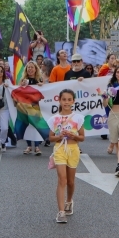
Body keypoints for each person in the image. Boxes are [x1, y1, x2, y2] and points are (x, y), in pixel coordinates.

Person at [48, 89, 85, 224]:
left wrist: (74, 136)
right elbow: (51, 138)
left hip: (73, 150)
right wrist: (59, 136)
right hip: (59, 150)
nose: (67, 102)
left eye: (69, 100)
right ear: (59, 100)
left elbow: (82, 137)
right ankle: (61, 211)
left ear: (73, 101)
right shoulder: (54, 119)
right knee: (62, 179)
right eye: (64, 100)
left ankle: (69, 201)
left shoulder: (78, 118)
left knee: (70, 181)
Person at [17, 61, 49, 153]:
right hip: (25, 107)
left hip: (36, 107)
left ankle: (37, 146)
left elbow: (45, 91)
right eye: (28, 67)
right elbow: (18, 91)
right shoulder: (23, 79)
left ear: (35, 69)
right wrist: (21, 86)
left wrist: (42, 85)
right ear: (26, 69)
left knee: (36, 126)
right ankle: (29, 146)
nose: (30, 69)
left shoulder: (39, 79)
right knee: (28, 126)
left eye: (32, 67)